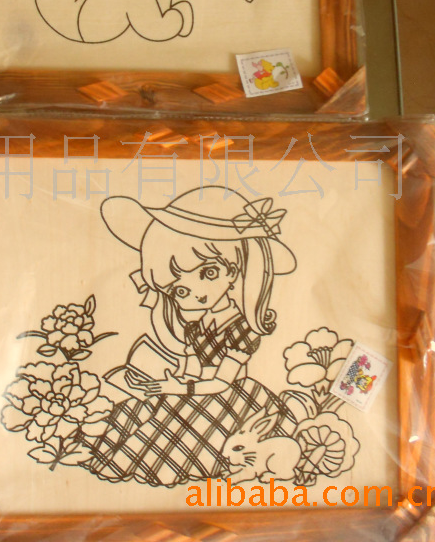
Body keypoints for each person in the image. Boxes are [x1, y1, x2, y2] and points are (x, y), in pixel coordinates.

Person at [86, 187, 296, 486]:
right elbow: (191, 368)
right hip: (192, 389)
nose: (194, 294)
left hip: (227, 399)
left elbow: (222, 382)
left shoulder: (242, 329)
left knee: (173, 425)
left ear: (234, 271)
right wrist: (169, 380)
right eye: (179, 289)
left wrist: (180, 387)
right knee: (139, 410)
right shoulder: (194, 326)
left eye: (208, 273)